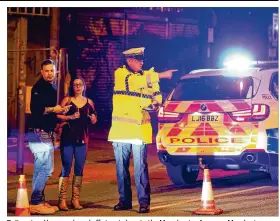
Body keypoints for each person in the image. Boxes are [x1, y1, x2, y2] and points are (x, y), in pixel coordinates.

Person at [108, 47, 177, 213]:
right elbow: (134, 82)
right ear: (129, 60)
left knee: (140, 169)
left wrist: (156, 102)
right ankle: (124, 201)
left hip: (139, 130)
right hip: (121, 131)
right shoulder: (121, 74)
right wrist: (162, 74)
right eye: (138, 60)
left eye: (142, 60)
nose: (142, 62)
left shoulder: (147, 76)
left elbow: (157, 94)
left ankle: (144, 202)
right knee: (121, 169)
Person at [28, 59, 71, 215]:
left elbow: (52, 111)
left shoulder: (51, 88)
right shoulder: (38, 88)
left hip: (45, 132)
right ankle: (35, 201)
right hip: (39, 132)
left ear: (55, 72)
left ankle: (38, 200)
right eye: (46, 71)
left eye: (51, 71)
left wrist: (61, 111)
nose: (49, 73)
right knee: (47, 168)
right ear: (41, 72)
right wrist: (55, 109)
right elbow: (36, 110)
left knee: (40, 168)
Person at [56, 76, 97, 211]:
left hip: (83, 139)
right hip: (68, 139)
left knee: (79, 169)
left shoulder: (89, 102)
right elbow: (58, 115)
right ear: (72, 87)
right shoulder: (67, 100)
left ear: (84, 86)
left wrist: (93, 119)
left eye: (80, 84)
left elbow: (94, 119)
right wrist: (70, 117)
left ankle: (75, 199)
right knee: (66, 167)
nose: (78, 87)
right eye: (75, 85)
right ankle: (62, 200)